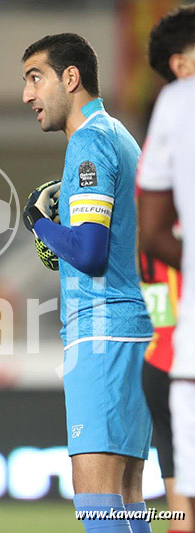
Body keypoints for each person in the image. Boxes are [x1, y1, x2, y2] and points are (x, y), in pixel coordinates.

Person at [21, 33, 153, 532]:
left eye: (36, 78)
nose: (27, 95)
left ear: (70, 78)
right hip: (133, 332)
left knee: (97, 501)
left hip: (103, 336)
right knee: (127, 497)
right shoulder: (120, 136)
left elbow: (92, 254)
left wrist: (40, 222)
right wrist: (63, 240)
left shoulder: (90, 142)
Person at [138, 6, 195, 533]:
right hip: (174, 354)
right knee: (181, 510)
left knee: (182, 508)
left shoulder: (145, 194)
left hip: (169, 355)